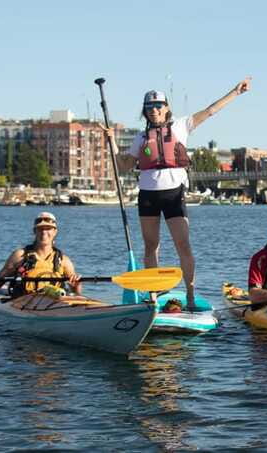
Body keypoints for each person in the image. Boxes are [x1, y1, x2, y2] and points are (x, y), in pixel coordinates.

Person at [106, 77, 251, 310]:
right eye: (149, 107)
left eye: (158, 106)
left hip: (173, 193)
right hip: (148, 195)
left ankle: (190, 296)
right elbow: (123, 166)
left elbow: (211, 110)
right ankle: (153, 296)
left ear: (166, 108)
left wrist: (235, 92)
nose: (154, 110)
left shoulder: (181, 126)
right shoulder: (140, 138)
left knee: (183, 245)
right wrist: (112, 142)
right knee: (150, 245)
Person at [0, 212, 81, 296]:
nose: (44, 232)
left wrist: (76, 285)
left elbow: (76, 292)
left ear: (55, 232)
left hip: (55, 301)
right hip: (24, 302)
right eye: (40, 229)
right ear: (34, 231)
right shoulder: (19, 256)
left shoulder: (64, 260)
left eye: (48, 229)